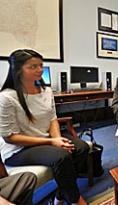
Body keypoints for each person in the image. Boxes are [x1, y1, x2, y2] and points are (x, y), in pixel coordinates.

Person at [0, 49, 89, 205]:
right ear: (18, 70)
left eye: (41, 65)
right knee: (61, 156)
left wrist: (56, 138)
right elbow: (10, 137)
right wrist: (51, 142)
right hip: (18, 149)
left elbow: (52, 118)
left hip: (45, 139)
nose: (40, 70)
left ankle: (61, 195)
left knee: (81, 147)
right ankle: (75, 200)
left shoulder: (46, 91)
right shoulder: (7, 97)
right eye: (33, 67)